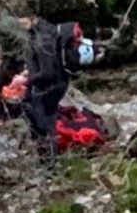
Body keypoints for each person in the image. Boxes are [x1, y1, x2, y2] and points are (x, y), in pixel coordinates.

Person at [7, 14, 87, 161]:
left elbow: (47, 72)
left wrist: (25, 81)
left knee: (43, 125)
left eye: (21, 19)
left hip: (49, 87)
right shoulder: (41, 33)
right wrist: (26, 75)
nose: (19, 23)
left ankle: (48, 164)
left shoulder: (43, 39)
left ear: (32, 18)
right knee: (38, 121)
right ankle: (45, 159)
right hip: (53, 84)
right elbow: (38, 65)